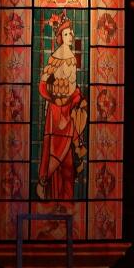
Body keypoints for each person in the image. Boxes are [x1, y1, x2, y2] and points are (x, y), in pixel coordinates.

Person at [37, 12, 87, 199]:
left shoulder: (71, 57)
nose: (71, 36)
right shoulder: (56, 58)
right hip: (57, 113)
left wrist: (78, 98)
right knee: (56, 152)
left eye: (71, 33)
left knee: (68, 160)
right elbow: (44, 85)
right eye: (66, 34)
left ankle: (67, 199)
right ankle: (48, 188)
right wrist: (55, 97)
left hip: (68, 110)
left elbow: (71, 88)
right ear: (60, 37)